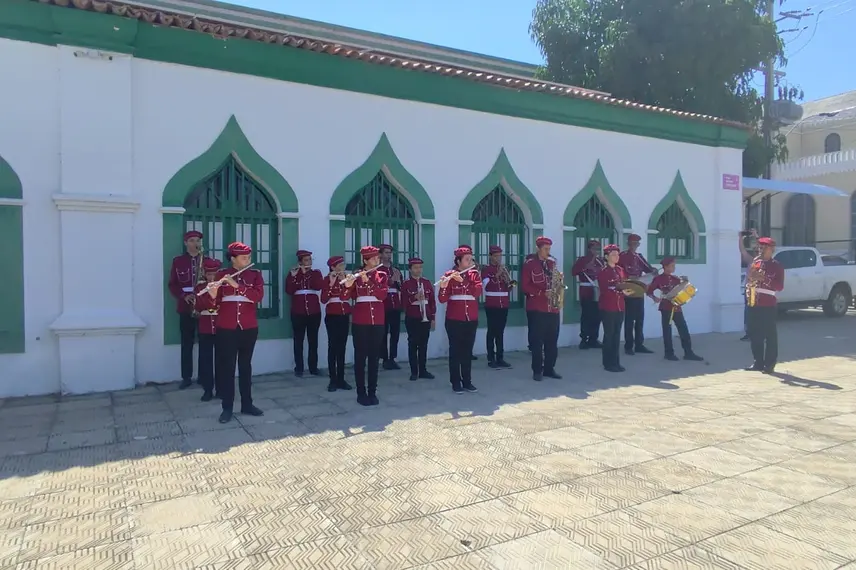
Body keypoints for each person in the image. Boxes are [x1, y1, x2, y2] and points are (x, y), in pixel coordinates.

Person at [208, 241, 265, 424]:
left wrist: (237, 285)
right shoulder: (221, 274)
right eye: (243, 257)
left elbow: (258, 296)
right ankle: (227, 408)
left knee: (245, 366)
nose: (247, 260)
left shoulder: (255, 275)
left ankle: (247, 404)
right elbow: (214, 304)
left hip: (248, 327)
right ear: (233, 259)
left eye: (249, 257)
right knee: (227, 368)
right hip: (227, 327)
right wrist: (212, 294)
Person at [167, 230, 214, 389]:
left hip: (204, 306)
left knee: (205, 342)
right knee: (186, 343)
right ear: (186, 243)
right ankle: (186, 377)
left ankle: (203, 376)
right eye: (192, 240)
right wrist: (183, 296)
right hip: (186, 306)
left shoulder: (207, 261)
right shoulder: (178, 261)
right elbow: (172, 284)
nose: (196, 243)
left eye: (198, 240)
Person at [344, 246, 389, 405]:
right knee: (360, 357)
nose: (378, 260)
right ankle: (361, 392)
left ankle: (372, 391)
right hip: (360, 321)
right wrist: (348, 285)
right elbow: (345, 297)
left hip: (378, 320)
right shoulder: (356, 276)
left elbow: (382, 295)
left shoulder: (382, 275)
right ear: (365, 261)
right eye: (374, 258)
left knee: (374, 357)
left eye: (377, 257)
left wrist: (368, 281)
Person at [438, 246, 482, 394]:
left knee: (467, 351)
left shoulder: (474, 274)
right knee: (455, 351)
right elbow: (442, 299)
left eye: (471, 259)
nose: (470, 261)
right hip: (454, 319)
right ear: (458, 261)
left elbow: (477, 292)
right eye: (467, 259)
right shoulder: (449, 275)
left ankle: (467, 381)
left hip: (471, 318)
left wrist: (463, 281)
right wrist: (444, 286)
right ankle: (455, 382)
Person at [646, 257, 704, 362]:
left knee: (683, 329)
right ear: (665, 267)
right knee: (667, 331)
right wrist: (654, 298)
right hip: (665, 307)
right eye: (672, 266)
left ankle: (688, 353)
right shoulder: (658, 279)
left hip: (676, 306)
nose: (674, 267)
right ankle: (669, 353)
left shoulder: (676, 279)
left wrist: (685, 282)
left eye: (674, 265)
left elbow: (683, 288)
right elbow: (649, 291)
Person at [521, 237, 562, 382]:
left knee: (552, 341)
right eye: (545, 249)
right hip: (537, 308)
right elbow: (525, 286)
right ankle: (537, 370)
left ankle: (549, 369)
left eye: (549, 249)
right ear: (538, 249)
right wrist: (541, 293)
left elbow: (555, 283)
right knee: (537, 341)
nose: (548, 252)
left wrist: (559, 283)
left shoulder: (551, 263)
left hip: (553, 308)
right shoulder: (530, 265)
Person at [745, 237, 785, 373]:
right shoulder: (756, 262)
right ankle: (758, 362)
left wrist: (764, 278)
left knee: (770, 336)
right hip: (754, 302)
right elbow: (750, 279)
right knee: (755, 334)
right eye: (760, 247)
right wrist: (750, 280)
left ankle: (769, 364)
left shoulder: (777, 266)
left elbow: (779, 287)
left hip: (768, 304)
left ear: (772, 249)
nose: (760, 250)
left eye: (764, 248)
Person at [285, 249, 323, 377]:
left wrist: (306, 273)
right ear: (300, 262)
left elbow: (318, 286)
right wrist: (295, 276)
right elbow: (289, 290)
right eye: (306, 260)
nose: (309, 262)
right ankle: (299, 368)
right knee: (298, 340)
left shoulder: (316, 273)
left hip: (314, 311)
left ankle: (313, 367)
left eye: (310, 259)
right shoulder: (293, 273)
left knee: (313, 340)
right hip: (298, 311)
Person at [619, 234, 656, 355]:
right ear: (628, 244)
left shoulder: (639, 257)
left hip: (639, 289)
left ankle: (639, 344)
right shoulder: (622, 256)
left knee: (640, 318)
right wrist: (628, 277)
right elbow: (618, 271)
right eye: (632, 243)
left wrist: (653, 271)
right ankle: (628, 346)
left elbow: (648, 269)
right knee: (629, 319)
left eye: (636, 243)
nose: (634, 246)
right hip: (629, 289)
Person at [320, 256, 353, 392]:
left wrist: (346, 283)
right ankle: (332, 379)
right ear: (333, 267)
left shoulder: (347, 279)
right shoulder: (327, 279)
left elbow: (348, 296)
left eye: (343, 265)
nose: (342, 268)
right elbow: (323, 299)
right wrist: (331, 283)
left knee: (342, 348)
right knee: (333, 347)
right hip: (332, 316)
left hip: (344, 315)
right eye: (339, 265)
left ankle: (341, 379)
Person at [401, 257, 436, 381]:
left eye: (420, 267)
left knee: (423, 345)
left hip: (425, 317)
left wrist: (433, 317)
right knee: (413, 344)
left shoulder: (426, 282)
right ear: (410, 269)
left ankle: (423, 370)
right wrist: (414, 297)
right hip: (413, 317)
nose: (418, 270)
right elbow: (403, 302)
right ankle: (414, 371)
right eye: (415, 268)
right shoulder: (406, 284)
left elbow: (432, 302)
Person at [193, 258, 222, 401]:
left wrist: (214, 294)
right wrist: (209, 294)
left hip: (220, 325)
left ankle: (221, 389)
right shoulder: (200, 288)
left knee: (222, 359)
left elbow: (221, 303)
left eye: (214, 274)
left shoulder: (223, 287)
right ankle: (207, 389)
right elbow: (199, 305)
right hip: (205, 326)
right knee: (206, 360)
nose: (211, 277)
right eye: (209, 274)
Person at [598, 244, 630, 372]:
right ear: (606, 257)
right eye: (613, 254)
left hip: (620, 306)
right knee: (609, 335)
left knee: (617, 335)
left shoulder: (620, 270)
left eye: (617, 254)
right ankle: (608, 363)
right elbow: (604, 289)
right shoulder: (603, 272)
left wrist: (626, 290)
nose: (616, 257)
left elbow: (624, 284)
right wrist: (618, 289)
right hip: (608, 307)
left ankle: (616, 362)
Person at [481, 245, 513, 368]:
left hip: (504, 304)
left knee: (500, 332)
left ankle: (500, 358)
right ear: (490, 256)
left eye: (500, 256)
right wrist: (497, 275)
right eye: (495, 256)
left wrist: (510, 282)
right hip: (492, 304)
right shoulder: (486, 270)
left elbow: (510, 287)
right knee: (492, 331)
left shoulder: (505, 269)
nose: (498, 258)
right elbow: (486, 286)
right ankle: (491, 359)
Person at [571, 240, 605, 349]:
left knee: (597, 316)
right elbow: (573, 272)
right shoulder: (582, 260)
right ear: (589, 249)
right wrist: (585, 267)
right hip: (586, 291)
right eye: (594, 248)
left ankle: (593, 339)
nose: (596, 251)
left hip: (597, 290)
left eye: (598, 249)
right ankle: (584, 339)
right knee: (586, 316)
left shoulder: (600, 261)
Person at [378, 244, 404, 370]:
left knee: (395, 332)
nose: (388, 255)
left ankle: (392, 357)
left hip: (395, 304)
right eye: (386, 252)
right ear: (380, 254)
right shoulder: (378, 270)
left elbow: (401, 287)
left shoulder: (395, 269)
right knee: (383, 333)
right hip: (383, 304)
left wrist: (398, 281)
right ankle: (384, 358)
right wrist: (390, 281)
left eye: (390, 253)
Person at [739, 229, 760, 341]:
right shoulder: (751, 260)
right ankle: (749, 333)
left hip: (757, 290)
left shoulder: (763, 262)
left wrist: (756, 236)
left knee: (756, 313)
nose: (756, 251)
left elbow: (762, 246)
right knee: (748, 313)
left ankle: (757, 333)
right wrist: (740, 238)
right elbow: (742, 250)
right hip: (749, 290)